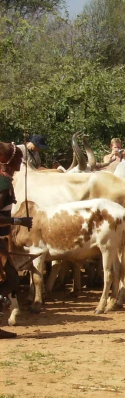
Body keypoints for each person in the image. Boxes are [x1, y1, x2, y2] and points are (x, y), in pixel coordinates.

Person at [0, 143, 33, 338]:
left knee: (9, 279)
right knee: (10, 279)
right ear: (9, 161)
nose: (21, 164)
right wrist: (19, 220)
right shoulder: (3, 183)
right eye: (19, 160)